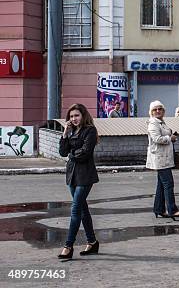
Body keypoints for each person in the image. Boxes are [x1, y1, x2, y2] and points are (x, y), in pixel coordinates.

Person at [57, 104, 100, 259]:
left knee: (75, 210)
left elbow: (85, 153)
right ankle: (92, 242)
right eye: (71, 116)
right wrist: (65, 134)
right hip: (72, 175)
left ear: (83, 116)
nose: (74, 119)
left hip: (85, 175)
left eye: (77, 115)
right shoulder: (71, 131)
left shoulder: (90, 130)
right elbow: (62, 152)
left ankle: (68, 246)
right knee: (83, 210)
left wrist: (72, 154)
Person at [146, 100, 179, 220]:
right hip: (160, 158)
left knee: (161, 185)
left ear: (163, 110)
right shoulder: (153, 123)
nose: (158, 111)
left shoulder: (161, 122)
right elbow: (157, 139)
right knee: (168, 184)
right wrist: (170, 138)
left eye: (160, 109)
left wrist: (171, 137)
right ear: (151, 112)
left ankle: (158, 209)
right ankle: (172, 210)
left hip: (164, 157)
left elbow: (165, 136)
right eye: (155, 109)